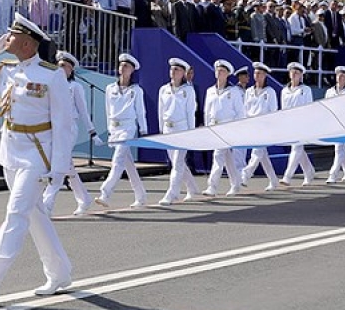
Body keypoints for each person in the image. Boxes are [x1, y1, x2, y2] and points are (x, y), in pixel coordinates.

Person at [0, 13, 74, 304]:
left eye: (10, 36)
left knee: (16, 213)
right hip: (11, 151)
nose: (6, 39)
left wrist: (59, 170)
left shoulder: (51, 75)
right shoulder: (6, 70)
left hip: (37, 154)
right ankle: (60, 272)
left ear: (26, 43)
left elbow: (64, 124)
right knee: (34, 215)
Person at [42, 51, 102, 216]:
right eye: (59, 66)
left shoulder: (75, 87)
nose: (60, 69)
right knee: (67, 166)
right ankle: (84, 198)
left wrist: (92, 132)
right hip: (54, 127)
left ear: (71, 70)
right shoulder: (51, 85)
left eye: (64, 66)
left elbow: (83, 111)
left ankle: (47, 203)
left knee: (59, 165)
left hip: (69, 128)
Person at [95, 53, 148, 209]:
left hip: (128, 127)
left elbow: (140, 111)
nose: (123, 68)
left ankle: (105, 192)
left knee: (117, 161)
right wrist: (110, 130)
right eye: (121, 65)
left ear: (132, 70)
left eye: (127, 66)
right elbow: (108, 110)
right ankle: (141, 194)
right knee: (128, 164)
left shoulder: (136, 90)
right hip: (115, 127)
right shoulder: (110, 88)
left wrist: (143, 130)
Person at [157, 58, 199, 205]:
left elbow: (190, 114)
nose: (173, 72)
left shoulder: (188, 90)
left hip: (182, 130)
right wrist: (161, 131)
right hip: (168, 129)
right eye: (172, 69)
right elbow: (161, 112)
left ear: (183, 73)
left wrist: (191, 133)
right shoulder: (164, 89)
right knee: (177, 163)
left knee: (177, 162)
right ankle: (192, 188)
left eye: (177, 70)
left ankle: (172, 193)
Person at [203, 59, 244, 197]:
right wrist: (207, 128)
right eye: (218, 70)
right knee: (227, 158)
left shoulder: (234, 91)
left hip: (228, 127)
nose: (219, 73)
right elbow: (207, 111)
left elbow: (240, 112)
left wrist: (237, 129)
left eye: (222, 71)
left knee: (218, 155)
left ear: (227, 74)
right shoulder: (210, 91)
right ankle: (236, 183)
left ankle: (212, 186)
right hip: (215, 126)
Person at [240, 62, 280, 191]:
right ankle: (273, 180)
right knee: (263, 155)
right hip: (252, 125)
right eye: (256, 73)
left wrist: (271, 127)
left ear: (265, 75)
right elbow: (245, 109)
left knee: (257, 152)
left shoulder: (270, 92)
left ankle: (246, 174)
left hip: (264, 125)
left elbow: (273, 110)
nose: (257, 76)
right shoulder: (249, 91)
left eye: (260, 73)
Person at [279, 62, 316, 186]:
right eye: (292, 72)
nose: (294, 74)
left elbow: (310, 108)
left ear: (301, 76)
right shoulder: (284, 91)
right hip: (290, 124)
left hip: (302, 123)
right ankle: (309, 171)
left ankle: (287, 176)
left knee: (296, 148)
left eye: (297, 73)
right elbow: (284, 109)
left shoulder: (305, 90)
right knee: (299, 149)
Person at [324, 66, 345, 184]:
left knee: (339, 148)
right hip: (333, 123)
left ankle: (333, 174)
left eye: (343, 76)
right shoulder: (329, 92)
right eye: (338, 75)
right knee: (340, 148)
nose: (340, 78)